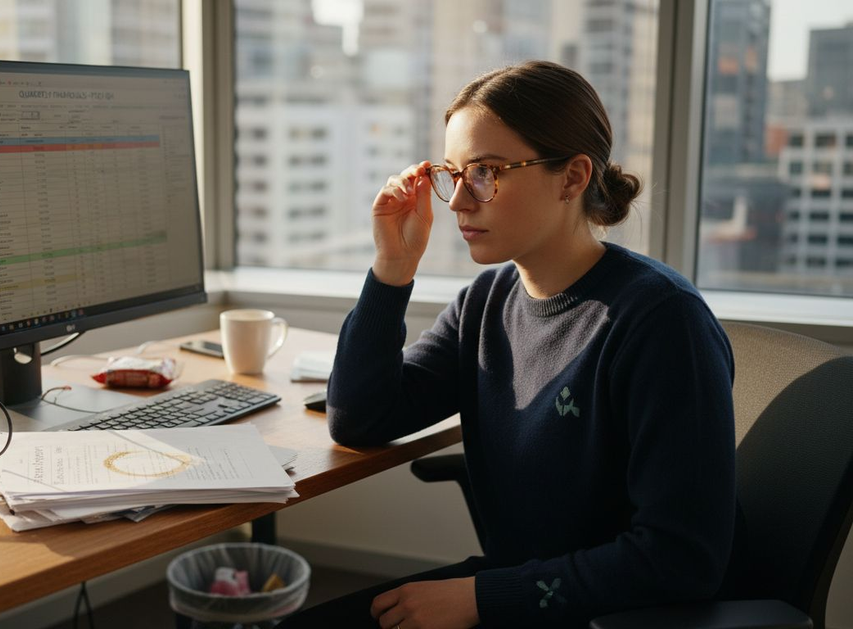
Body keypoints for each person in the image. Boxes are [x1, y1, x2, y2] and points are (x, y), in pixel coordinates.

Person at [279, 60, 736, 628]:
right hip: (512, 586)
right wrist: (392, 269)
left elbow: (683, 560)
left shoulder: (662, 321)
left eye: (487, 173)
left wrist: (481, 598)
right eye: (454, 174)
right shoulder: (488, 301)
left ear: (572, 178)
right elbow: (359, 417)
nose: (458, 203)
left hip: (602, 611)